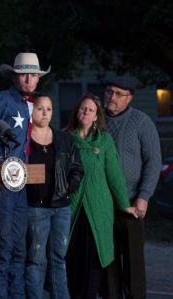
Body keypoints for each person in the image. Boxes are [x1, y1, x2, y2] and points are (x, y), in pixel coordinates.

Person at [0, 52, 50, 298]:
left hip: (21, 184)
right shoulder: (2, 99)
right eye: (24, 74)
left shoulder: (29, 104)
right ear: (14, 76)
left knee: (20, 249)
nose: (29, 79)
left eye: (33, 75)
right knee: (2, 247)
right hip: (3, 181)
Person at [65, 94, 138, 299]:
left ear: (97, 116)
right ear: (76, 112)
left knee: (96, 258)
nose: (86, 112)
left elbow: (114, 175)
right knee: (74, 257)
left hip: (98, 208)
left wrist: (124, 205)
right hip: (74, 208)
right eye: (82, 109)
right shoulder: (66, 138)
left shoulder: (104, 140)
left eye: (91, 110)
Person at [104, 79, 161, 299]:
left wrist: (144, 196)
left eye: (119, 94)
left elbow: (153, 161)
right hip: (104, 203)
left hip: (132, 201)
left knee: (133, 262)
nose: (113, 97)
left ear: (129, 98)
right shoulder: (96, 120)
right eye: (110, 92)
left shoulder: (141, 122)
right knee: (108, 261)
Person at [24, 93, 84, 299]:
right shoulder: (24, 139)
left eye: (49, 109)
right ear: (32, 111)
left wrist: (67, 188)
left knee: (59, 258)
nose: (45, 113)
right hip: (35, 207)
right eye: (40, 108)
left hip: (61, 208)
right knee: (36, 260)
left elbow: (77, 169)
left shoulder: (65, 139)